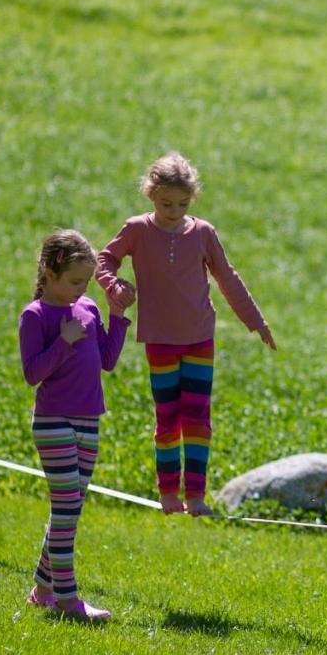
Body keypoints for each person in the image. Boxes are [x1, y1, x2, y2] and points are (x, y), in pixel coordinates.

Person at [96, 151, 276, 516]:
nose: (174, 211)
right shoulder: (137, 230)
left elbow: (227, 278)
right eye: (165, 203)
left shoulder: (204, 233)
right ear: (150, 194)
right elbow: (105, 259)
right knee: (168, 418)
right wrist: (112, 285)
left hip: (199, 337)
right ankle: (167, 494)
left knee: (198, 418)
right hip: (160, 339)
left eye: (181, 203)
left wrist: (255, 321)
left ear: (192, 198)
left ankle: (195, 496)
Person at [19, 229, 131, 621]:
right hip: (53, 422)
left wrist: (116, 315)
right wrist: (63, 341)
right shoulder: (35, 315)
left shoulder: (87, 307)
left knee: (71, 508)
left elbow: (107, 360)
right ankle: (68, 600)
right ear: (49, 272)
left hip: (89, 421)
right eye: (73, 281)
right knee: (66, 507)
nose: (81, 289)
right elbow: (33, 373)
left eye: (85, 281)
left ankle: (42, 588)